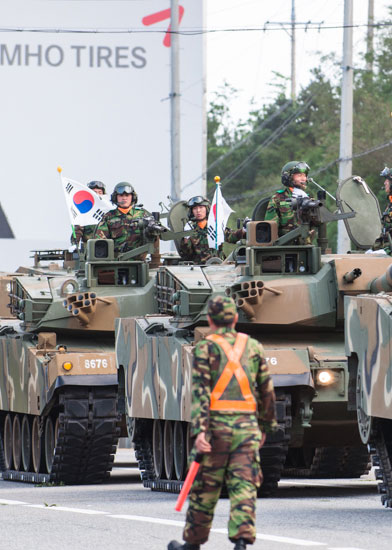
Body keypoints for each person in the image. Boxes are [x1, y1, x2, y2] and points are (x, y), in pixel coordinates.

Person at [169, 295, 277, 550]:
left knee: (205, 488)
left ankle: (192, 543)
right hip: (247, 429)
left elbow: (200, 392)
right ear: (236, 318)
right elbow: (267, 391)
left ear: (210, 320)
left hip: (215, 430)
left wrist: (200, 431)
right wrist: (265, 426)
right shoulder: (253, 346)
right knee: (244, 485)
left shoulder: (205, 348)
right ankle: (241, 541)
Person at [177, 195, 244, 264]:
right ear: (192, 211)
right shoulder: (190, 228)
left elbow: (232, 237)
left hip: (219, 265)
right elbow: (187, 253)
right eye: (195, 208)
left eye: (201, 207)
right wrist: (186, 236)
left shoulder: (215, 226)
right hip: (199, 267)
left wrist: (244, 231)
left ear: (206, 208)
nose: (198, 211)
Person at [94, 182, 152, 259]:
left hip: (139, 260)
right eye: (121, 195)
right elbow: (100, 241)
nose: (124, 198)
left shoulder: (143, 215)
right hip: (117, 261)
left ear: (132, 197)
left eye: (127, 195)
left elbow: (155, 236)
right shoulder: (109, 217)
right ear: (116, 197)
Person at [264, 160, 312, 244]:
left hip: (305, 246)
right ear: (288, 177)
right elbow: (270, 227)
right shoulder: (278, 198)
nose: (303, 179)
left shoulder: (308, 198)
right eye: (299, 175)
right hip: (284, 246)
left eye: (304, 175)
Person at [71, 181, 108, 247]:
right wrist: (75, 244)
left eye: (100, 192)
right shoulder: (84, 213)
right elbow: (77, 232)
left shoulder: (109, 211)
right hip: (89, 248)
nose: (97, 195)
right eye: (94, 192)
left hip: (107, 247)